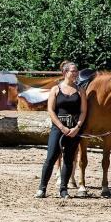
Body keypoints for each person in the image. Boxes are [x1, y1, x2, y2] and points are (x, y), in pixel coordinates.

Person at [36, 61, 87, 199]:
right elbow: (51, 110)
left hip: (74, 130)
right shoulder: (56, 89)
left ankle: (63, 189)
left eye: (76, 71)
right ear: (65, 73)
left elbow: (83, 111)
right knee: (51, 157)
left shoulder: (81, 91)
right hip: (58, 129)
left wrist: (77, 127)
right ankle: (42, 188)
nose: (75, 73)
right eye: (73, 71)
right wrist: (62, 127)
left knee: (69, 160)